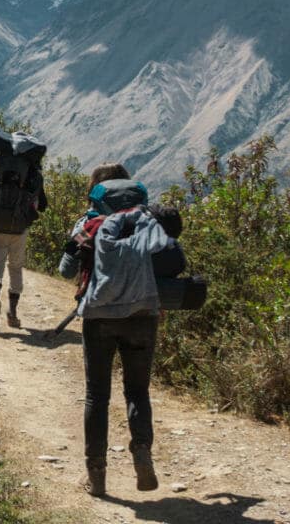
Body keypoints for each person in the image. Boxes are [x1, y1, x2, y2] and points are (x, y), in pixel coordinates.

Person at [58, 162, 169, 498]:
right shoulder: (147, 219)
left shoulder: (88, 223)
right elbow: (168, 262)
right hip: (143, 314)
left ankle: (97, 475)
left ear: (97, 189)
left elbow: (65, 270)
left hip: (100, 317)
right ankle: (142, 451)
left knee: (97, 395)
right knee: (137, 391)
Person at [0, 142, 48, 332]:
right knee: (16, 268)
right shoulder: (34, 174)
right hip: (20, 229)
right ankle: (13, 313)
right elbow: (43, 205)